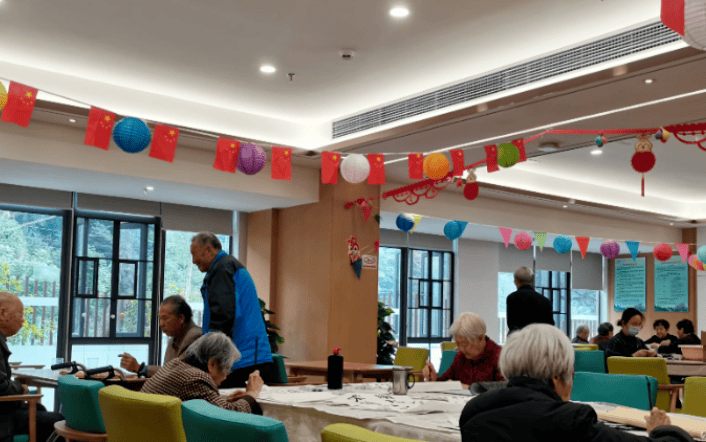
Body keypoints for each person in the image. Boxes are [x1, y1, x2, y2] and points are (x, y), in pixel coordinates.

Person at [459, 323, 694, 442]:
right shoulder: (570, 420)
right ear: (556, 376)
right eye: (570, 374)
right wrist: (662, 430)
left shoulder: (474, 412)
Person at [190, 232, 274, 388]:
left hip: (242, 361)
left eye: (194, 254)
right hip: (249, 357)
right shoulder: (228, 266)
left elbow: (223, 317)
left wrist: (211, 359)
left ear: (208, 250)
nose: (193, 261)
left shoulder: (222, 269)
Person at [141, 332, 264, 415]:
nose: (226, 376)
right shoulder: (196, 378)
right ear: (212, 364)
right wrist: (251, 394)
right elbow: (225, 416)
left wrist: (228, 400)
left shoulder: (176, 364)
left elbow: (210, 406)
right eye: (226, 369)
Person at [0, 292, 64, 442]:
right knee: (57, 420)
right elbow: (1, 386)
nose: (23, 320)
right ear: (2, 314)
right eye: (21, 314)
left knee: (39, 410)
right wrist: (21, 388)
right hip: (3, 418)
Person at [119, 295, 202, 376]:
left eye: (165, 318)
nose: (161, 324)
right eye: (160, 319)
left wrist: (140, 368)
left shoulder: (195, 337)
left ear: (181, 318)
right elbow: (167, 372)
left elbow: (175, 375)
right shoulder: (174, 338)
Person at [422, 312, 503, 388]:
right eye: (457, 344)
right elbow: (446, 381)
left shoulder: (500, 357)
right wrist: (434, 379)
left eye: (465, 345)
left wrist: (470, 388)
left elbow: (505, 389)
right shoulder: (461, 356)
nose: (460, 349)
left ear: (480, 338)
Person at [506, 267, 554, 334]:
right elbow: (550, 326)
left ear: (516, 281)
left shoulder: (512, 298)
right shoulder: (545, 301)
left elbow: (512, 325)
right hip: (539, 338)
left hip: (519, 338)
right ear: (532, 280)